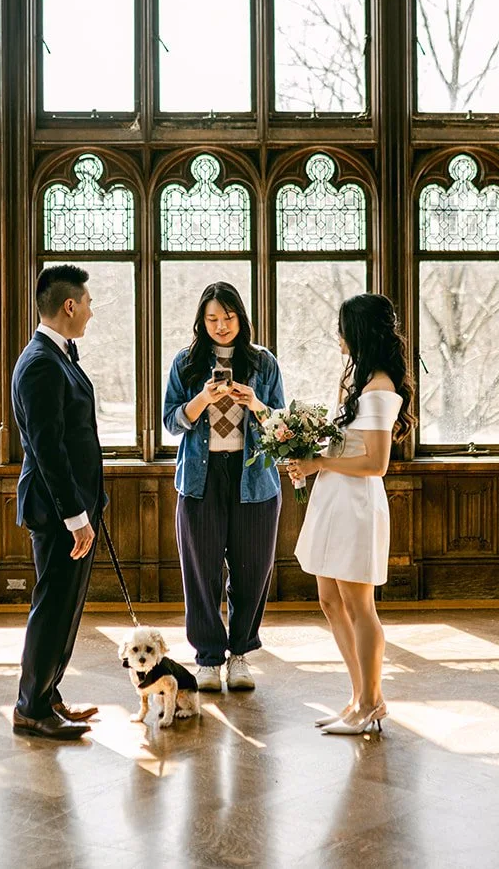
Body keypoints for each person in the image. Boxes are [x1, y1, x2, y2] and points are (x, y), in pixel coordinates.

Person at [285, 293, 416, 736]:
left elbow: (376, 463)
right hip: (333, 500)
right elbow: (347, 446)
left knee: (360, 606)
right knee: (328, 600)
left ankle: (372, 702)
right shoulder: (357, 382)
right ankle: (358, 697)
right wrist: (307, 454)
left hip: (356, 504)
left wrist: (319, 463)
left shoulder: (379, 388)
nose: (337, 337)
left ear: (358, 333)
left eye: (343, 328)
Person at [162, 283, 287, 693]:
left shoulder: (263, 363)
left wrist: (255, 403)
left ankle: (240, 655)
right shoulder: (185, 363)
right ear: (201, 320)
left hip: (254, 478)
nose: (220, 326)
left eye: (228, 317)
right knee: (201, 572)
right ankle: (209, 660)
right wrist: (200, 401)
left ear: (241, 318)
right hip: (201, 478)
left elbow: (281, 428)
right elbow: (170, 422)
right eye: (212, 318)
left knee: (253, 570)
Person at [10, 265, 106, 740]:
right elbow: (49, 449)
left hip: (75, 508)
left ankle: (49, 695)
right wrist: (76, 517)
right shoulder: (41, 363)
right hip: (57, 512)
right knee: (52, 607)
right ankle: (31, 707)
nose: (91, 311)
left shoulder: (59, 356)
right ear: (69, 305)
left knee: (67, 607)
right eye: (87, 302)